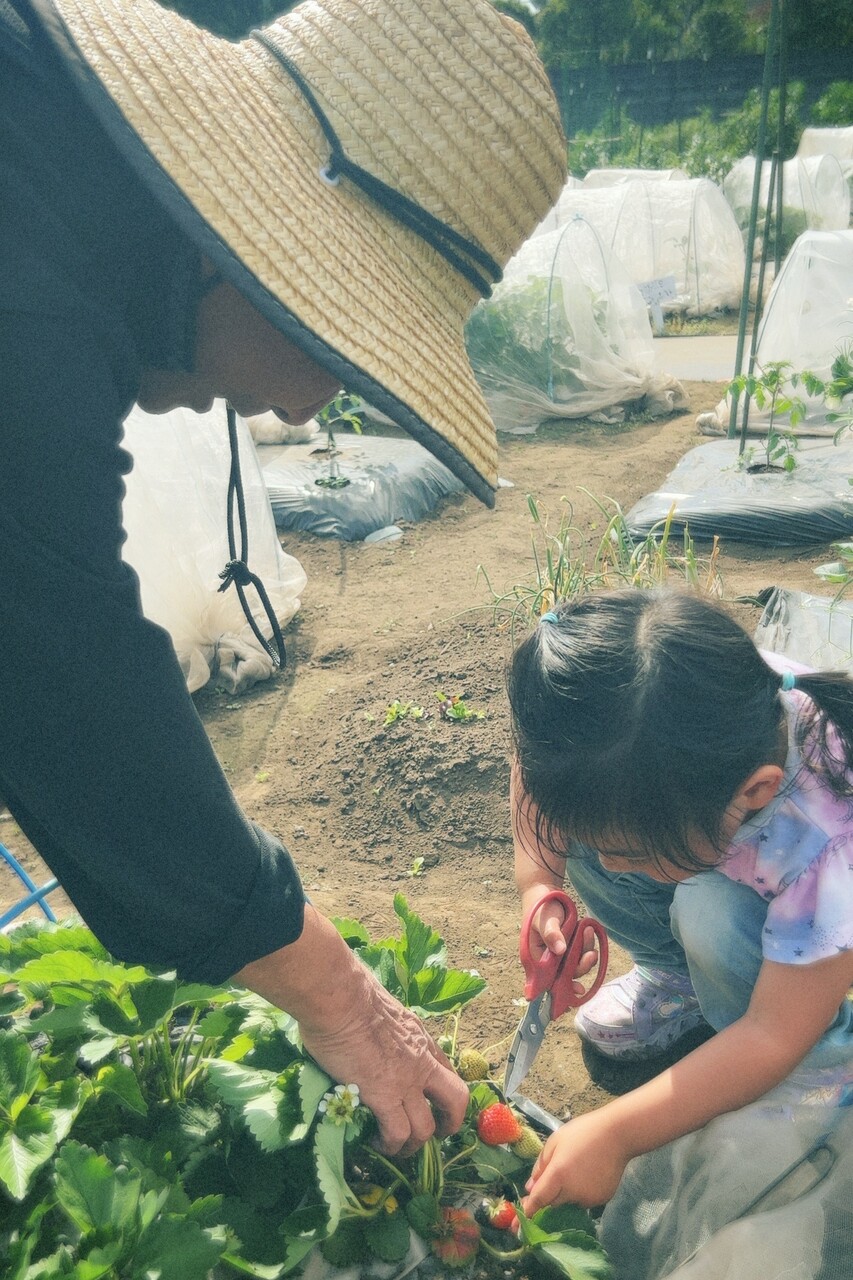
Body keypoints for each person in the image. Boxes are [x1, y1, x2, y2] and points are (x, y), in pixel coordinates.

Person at [0, 0, 567, 1156]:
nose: (310, 407)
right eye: (345, 344)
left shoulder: (51, 181)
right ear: (246, 245)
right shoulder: (26, 254)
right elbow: (59, 656)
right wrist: (341, 994)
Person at [508, 588, 853, 1212]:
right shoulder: (618, 738)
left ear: (755, 792)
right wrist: (541, 884)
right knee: (616, 850)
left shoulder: (826, 847)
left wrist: (616, 1133)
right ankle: (682, 980)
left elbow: (774, 1032)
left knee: (711, 916)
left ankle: (822, 1077)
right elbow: (539, 782)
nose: (609, 868)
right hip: (709, 841)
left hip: (803, 965)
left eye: (629, 852)